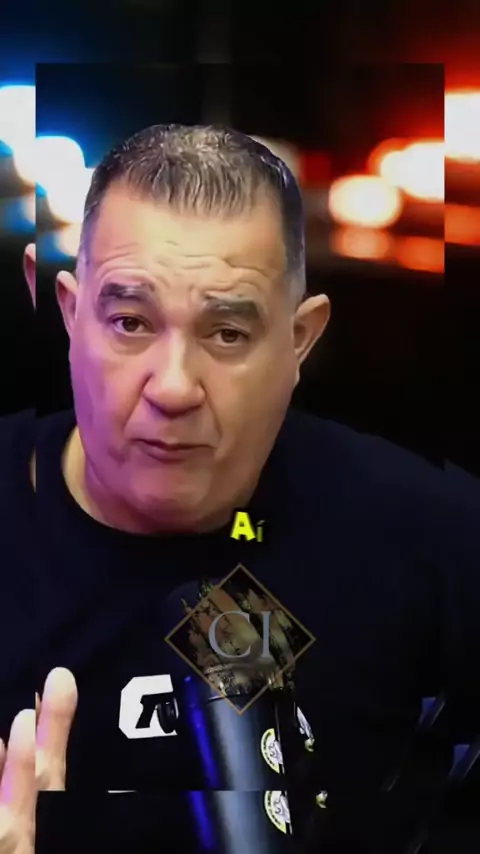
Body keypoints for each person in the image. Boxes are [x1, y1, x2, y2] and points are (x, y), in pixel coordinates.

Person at [0, 124, 478, 853]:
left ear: (300, 340)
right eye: (130, 322)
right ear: (69, 313)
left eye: (227, 333)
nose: (173, 388)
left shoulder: (429, 536)